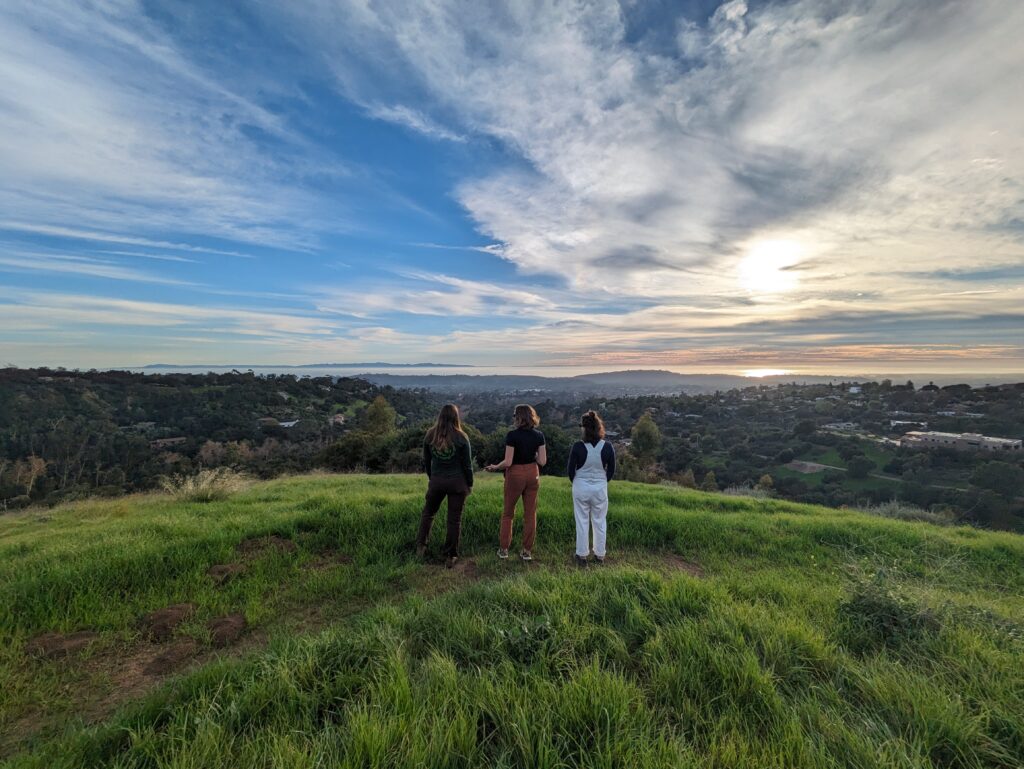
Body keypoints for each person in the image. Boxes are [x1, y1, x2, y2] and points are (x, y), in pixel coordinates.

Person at [485, 404, 546, 561]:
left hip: (515, 474)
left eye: (514, 416)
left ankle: (504, 550)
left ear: (519, 418)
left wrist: (495, 467)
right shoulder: (539, 435)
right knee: (530, 514)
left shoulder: (512, 436)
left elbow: (508, 462)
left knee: (508, 513)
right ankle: (527, 551)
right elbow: (543, 461)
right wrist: (532, 457)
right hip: (533, 473)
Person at [416, 403, 474, 569]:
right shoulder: (462, 437)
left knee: (428, 513)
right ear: (456, 417)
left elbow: (427, 461)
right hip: (457, 483)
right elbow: (467, 465)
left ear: (440, 416)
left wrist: (432, 478)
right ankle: (450, 555)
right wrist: (469, 483)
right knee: (454, 520)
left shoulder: (430, 435)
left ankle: (421, 546)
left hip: (437, 481)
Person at [566, 410, 615, 566]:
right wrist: (602, 481)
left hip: (581, 486)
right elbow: (611, 470)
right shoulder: (607, 447)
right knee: (600, 521)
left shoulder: (578, 446)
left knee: (582, 521)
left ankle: (582, 555)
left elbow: (570, 470)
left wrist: (577, 483)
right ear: (599, 427)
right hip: (600, 487)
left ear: (584, 428)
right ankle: (600, 555)